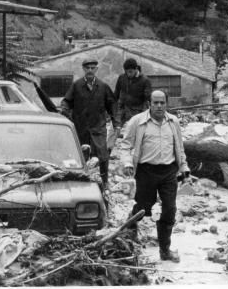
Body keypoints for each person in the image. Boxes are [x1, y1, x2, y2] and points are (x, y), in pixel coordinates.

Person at [120, 90, 190, 262]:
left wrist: (184, 167)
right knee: (143, 208)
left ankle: (165, 250)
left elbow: (179, 148)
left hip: (168, 172)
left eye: (162, 103)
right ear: (149, 104)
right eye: (155, 103)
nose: (159, 106)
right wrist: (128, 164)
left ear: (167, 104)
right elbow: (125, 145)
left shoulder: (173, 122)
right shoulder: (137, 122)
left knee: (169, 211)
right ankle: (125, 240)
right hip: (146, 171)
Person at [61, 58, 120, 185]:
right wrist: (64, 109)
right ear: (83, 69)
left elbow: (113, 105)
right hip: (80, 128)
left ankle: (104, 184)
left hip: (98, 128)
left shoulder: (103, 87)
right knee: (81, 156)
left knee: (102, 157)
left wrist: (116, 123)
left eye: (92, 68)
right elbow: (66, 101)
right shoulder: (76, 86)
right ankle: (81, 182)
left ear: (96, 69)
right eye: (87, 68)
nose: (90, 70)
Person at [114, 57, 152, 124]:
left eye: (131, 72)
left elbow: (148, 99)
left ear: (136, 69)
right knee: (115, 131)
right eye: (127, 72)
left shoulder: (145, 80)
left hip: (138, 112)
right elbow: (116, 94)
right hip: (123, 111)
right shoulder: (122, 78)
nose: (129, 74)